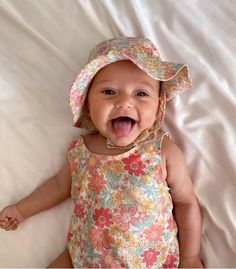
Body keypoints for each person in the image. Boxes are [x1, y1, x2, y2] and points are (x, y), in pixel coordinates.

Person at [0, 37, 203, 268]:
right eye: (108, 91)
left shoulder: (161, 150)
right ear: (88, 104)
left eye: (141, 94)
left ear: (158, 107)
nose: (124, 102)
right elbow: (58, 186)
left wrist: (190, 258)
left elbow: (186, 203)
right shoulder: (81, 150)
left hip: (150, 263)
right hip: (84, 257)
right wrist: (21, 209)